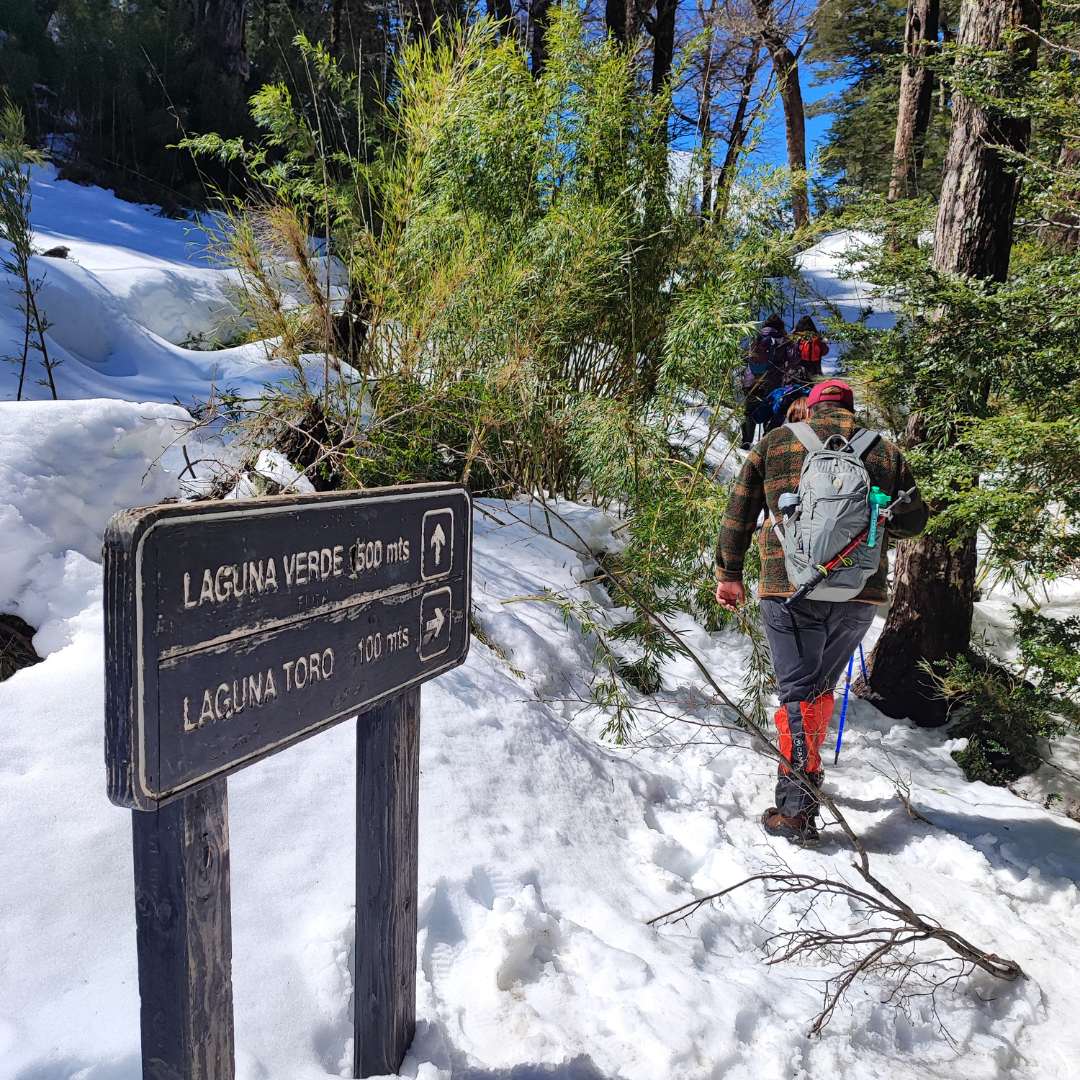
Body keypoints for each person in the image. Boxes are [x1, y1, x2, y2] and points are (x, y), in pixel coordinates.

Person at [714, 379, 928, 843]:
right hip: (858, 595)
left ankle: (795, 808)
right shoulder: (885, 453)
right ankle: (806, 777)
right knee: (816, 688)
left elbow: (739, 512)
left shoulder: (776, 442)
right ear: (851, 409)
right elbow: (914, 522)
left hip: (786, 587)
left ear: (810, 408)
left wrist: (728, 573)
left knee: (797, 692)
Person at [740, 314, 791, 450]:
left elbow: (745, 357)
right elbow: (790, 360)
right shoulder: (783, 340)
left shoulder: (756, 336)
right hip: (772, 383)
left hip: (751, 381)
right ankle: (765, 443)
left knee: (749, 412)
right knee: (770, 412)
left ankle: (746, 441)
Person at [790, 314, 829, 379]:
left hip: (799, 369)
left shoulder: (796, 337)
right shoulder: (817, 337)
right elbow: (825, 352)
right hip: (816, 369)